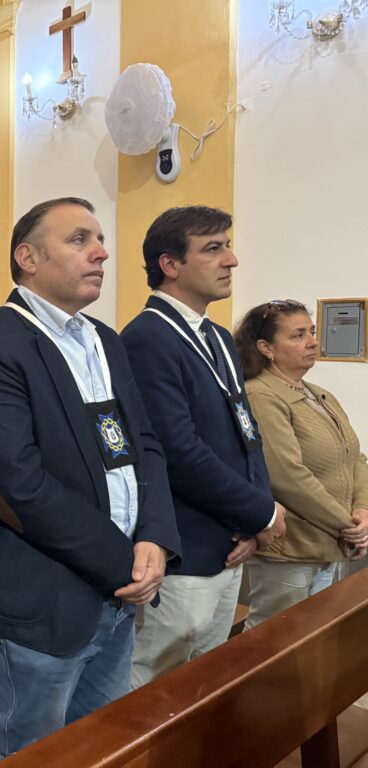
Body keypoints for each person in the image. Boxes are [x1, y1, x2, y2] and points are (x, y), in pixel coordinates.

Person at [0, 197, 180, 765]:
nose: (101, 252)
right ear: (27, 257)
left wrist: (155, 535)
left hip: (120, 588)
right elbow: (18, 482)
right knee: (30, 753)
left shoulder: (105, 339)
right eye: (79, 240)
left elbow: (144, 444)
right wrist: (124, 563)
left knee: (100, 743)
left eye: (99, 240)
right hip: (45, 595)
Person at [120, 206, 286, 688]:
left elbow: (247, 434)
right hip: (185, 548)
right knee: (155, 684)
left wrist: (253, 518)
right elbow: (178, 452)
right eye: (213, 249)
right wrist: (259, 512)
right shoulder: (148, 337)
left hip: (229, 541)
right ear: (170, 264)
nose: (231, 259)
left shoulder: (214, 334)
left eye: (227, 246)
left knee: (203, 681)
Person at [234, 300, 368, 624]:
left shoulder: (319, 394)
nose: (312, 342)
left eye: (312, 331)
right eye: (298, 335)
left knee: (314, 635)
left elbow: (356, 457)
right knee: (274, 635)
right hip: (291, 548)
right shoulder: (261, 395)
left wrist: (362, 510)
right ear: (266, 348)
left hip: (330, 542)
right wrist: (348, 526)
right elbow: (287, 477)